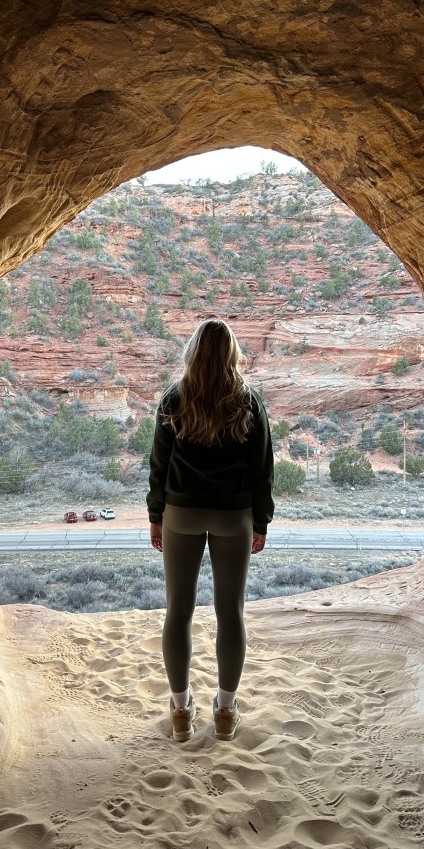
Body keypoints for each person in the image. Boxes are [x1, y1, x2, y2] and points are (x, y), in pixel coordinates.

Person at [147, 318, 274, 742]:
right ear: (231, 354)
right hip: (232, 517)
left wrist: (156, 515)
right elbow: (262, 469)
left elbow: (159, 465)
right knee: (230, 613)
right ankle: (224, 710)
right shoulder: (248, 401)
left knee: (178, 612)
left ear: (194, 352)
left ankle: (181, 711)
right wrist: (261, 521)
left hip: (181, 514)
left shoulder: (174, 398)